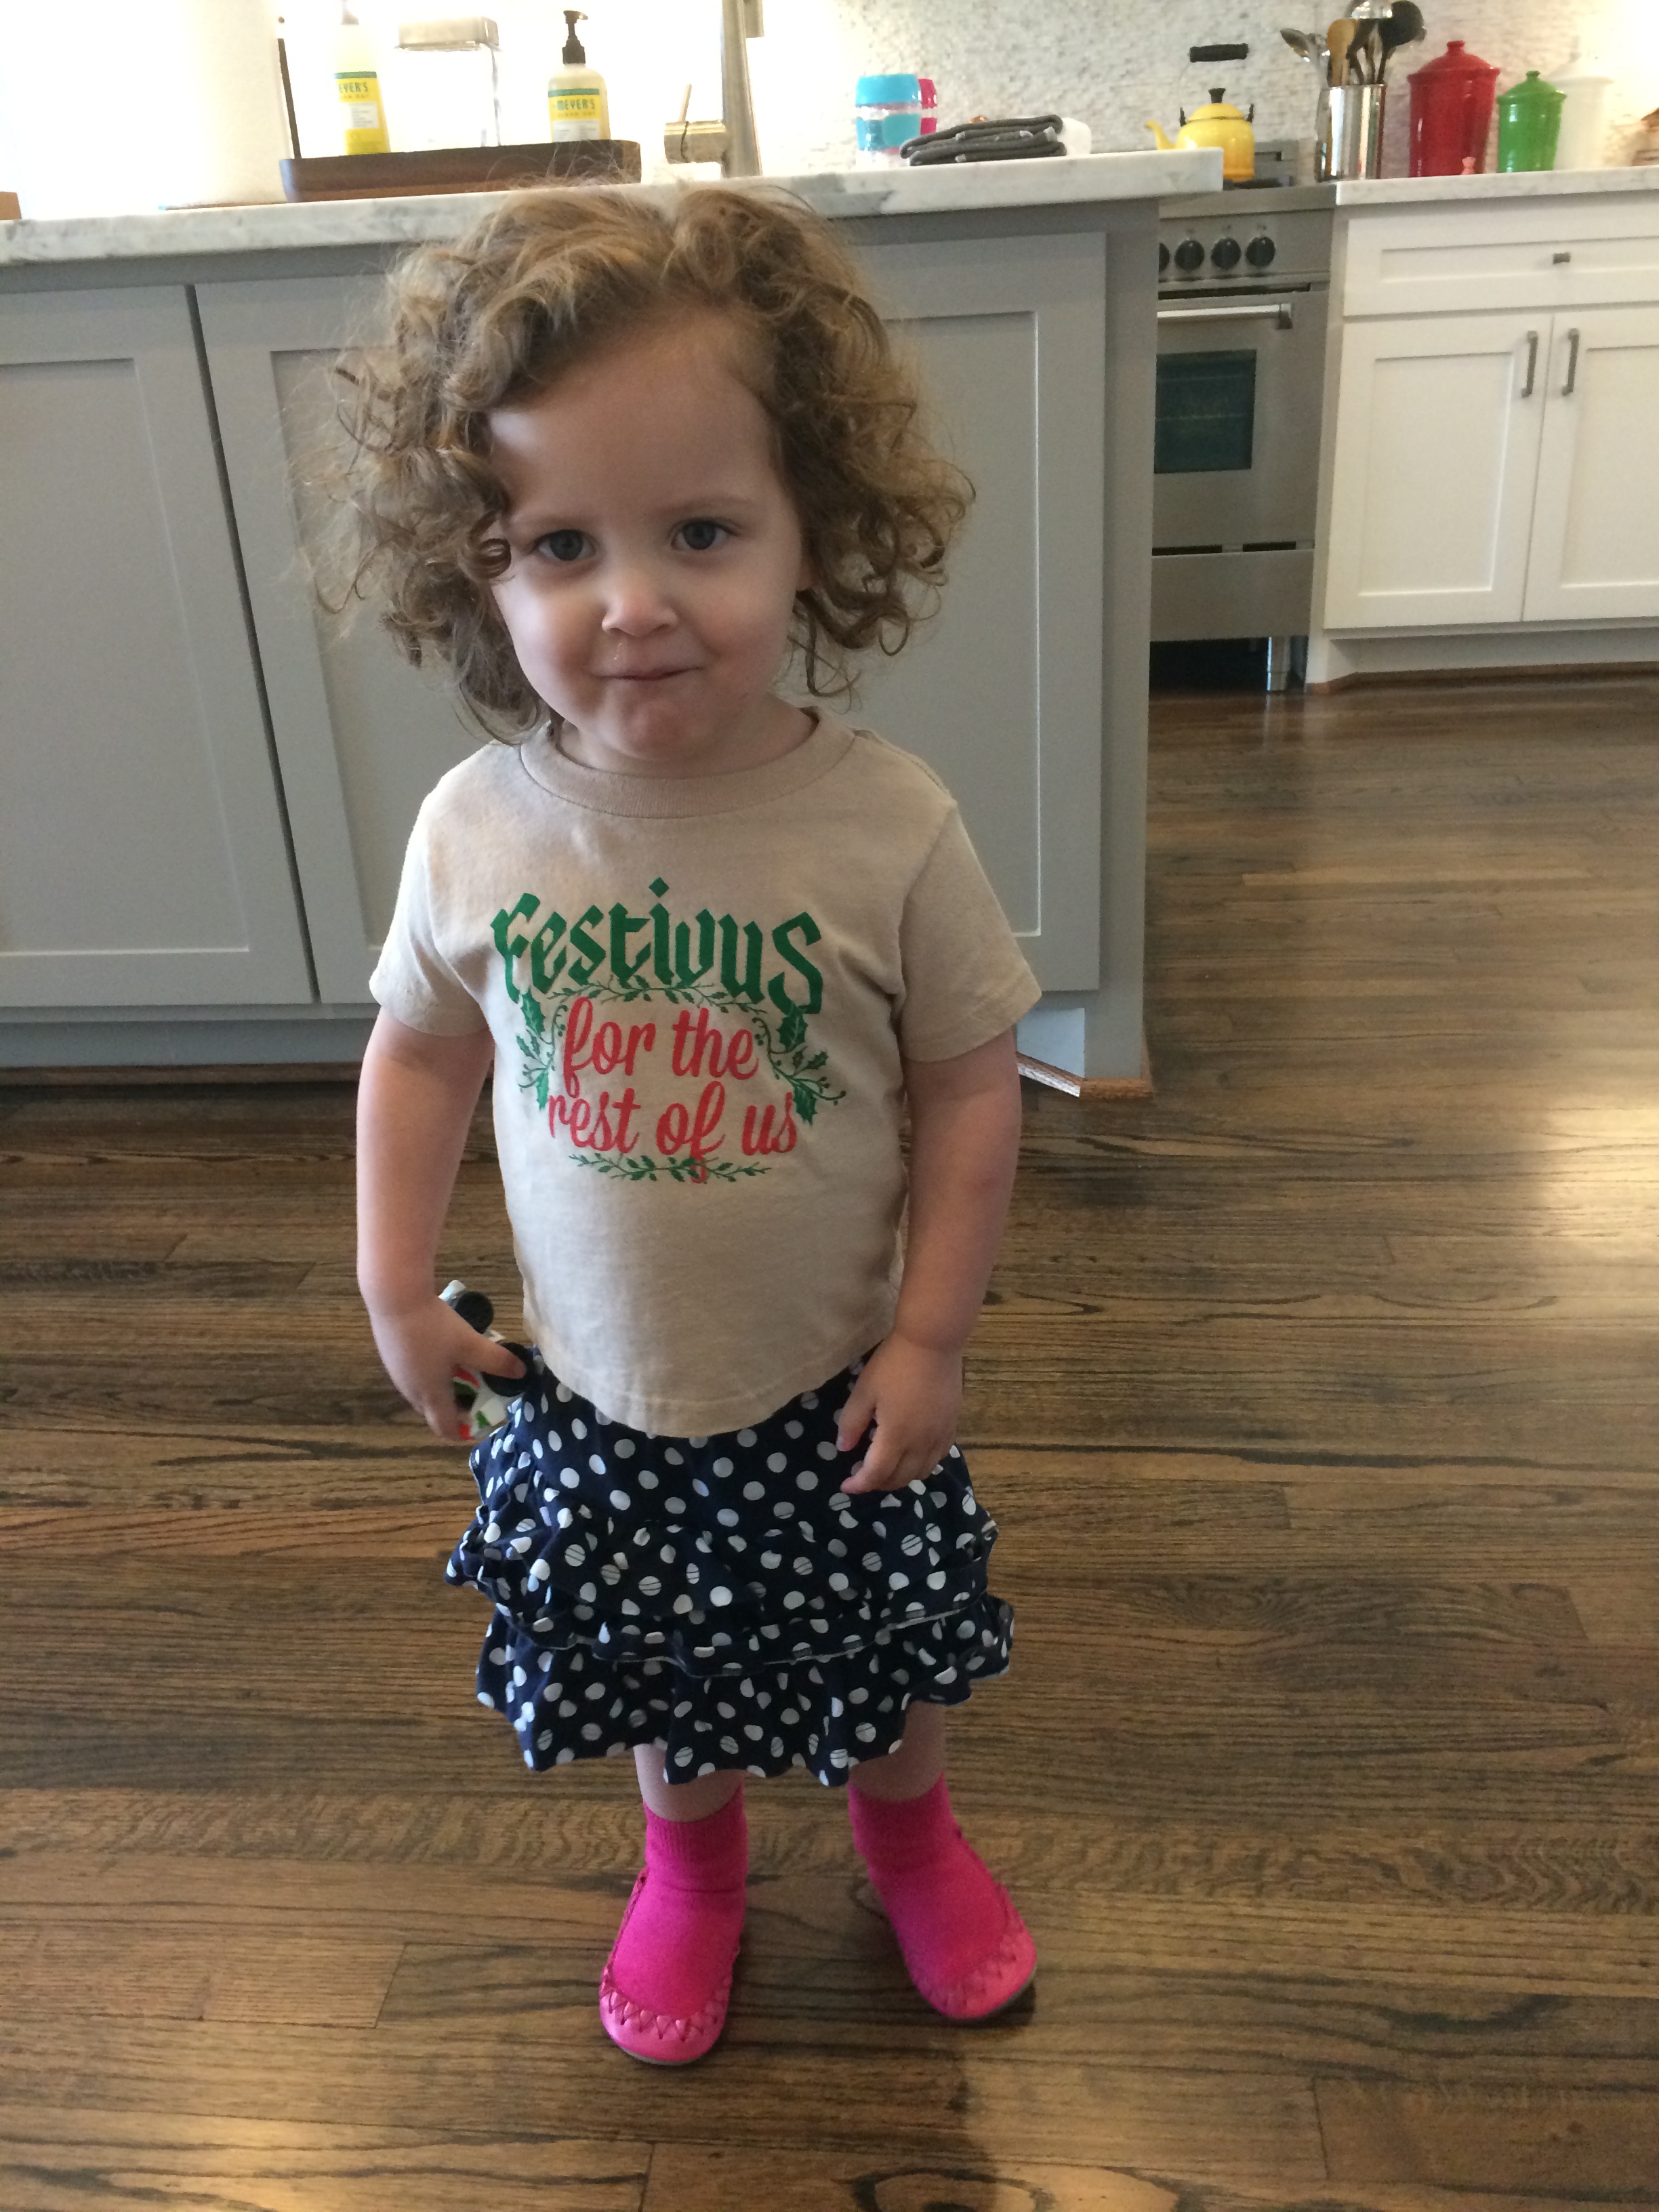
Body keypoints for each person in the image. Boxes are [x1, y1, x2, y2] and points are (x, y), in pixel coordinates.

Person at [346, 182, 1041, 2065]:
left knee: (880, 1646)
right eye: (560, 543)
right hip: (594, 1386)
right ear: (479, 571)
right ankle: (694, 1865)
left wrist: (931, 1336)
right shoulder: (477, 829)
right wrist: (396, 1287)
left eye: (702, 532)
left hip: (833, 1385)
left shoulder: (888, 824)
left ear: (816, 531)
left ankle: (910, 1838)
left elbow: (975, 1081)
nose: (631, 601)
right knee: (660, 1665)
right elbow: (419, 1055)